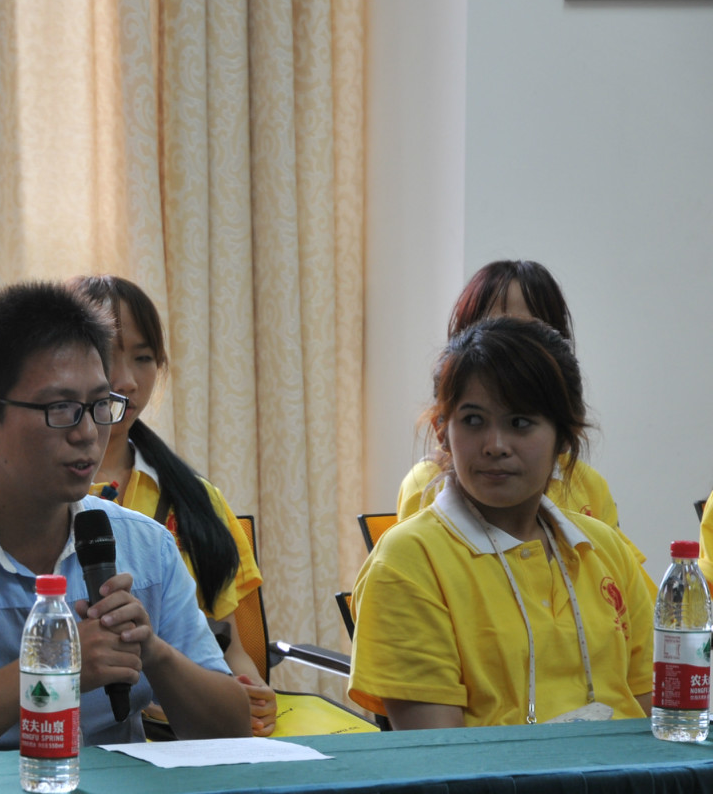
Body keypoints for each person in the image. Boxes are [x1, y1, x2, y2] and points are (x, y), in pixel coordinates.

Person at [0, 281, 250, 754]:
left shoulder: (146, 547)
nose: (88, 433)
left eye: (99, 405)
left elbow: (232, 730)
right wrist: (53, 668)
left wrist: (153, 651)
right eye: (61, 408)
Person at [349, 317, 652, 729]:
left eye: (520, 423)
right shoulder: (407, 561)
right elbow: (440, 755)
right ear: (442, 432)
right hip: (496, 775)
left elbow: (653, 718)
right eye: (473, 420)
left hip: (625, 770)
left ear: (564, 437)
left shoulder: (604, 547)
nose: (495, 446)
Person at [70, 275, 276, 736]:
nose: (127, 380)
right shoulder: (48, 500)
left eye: (143, 358)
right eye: (107, 355)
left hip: (188, 734)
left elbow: (229, 645)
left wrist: (251, 692)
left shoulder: (196, 499)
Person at [396, 260, 625, 531]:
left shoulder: (589, 486)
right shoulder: (427, 487)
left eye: (530, 333)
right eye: (492, 331)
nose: (508, 352)